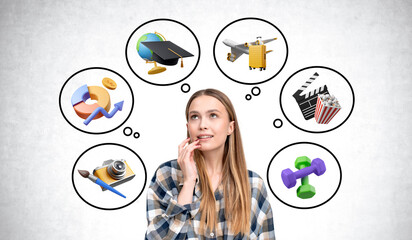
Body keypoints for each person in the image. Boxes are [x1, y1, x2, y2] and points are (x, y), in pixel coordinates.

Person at [146, 89, 275, 239]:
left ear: (230, 127)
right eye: (195, 117)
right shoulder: (167, 175)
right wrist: (189, 182)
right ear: (188, 127)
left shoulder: (253, 184)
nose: (202, 125)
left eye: (213, 115)